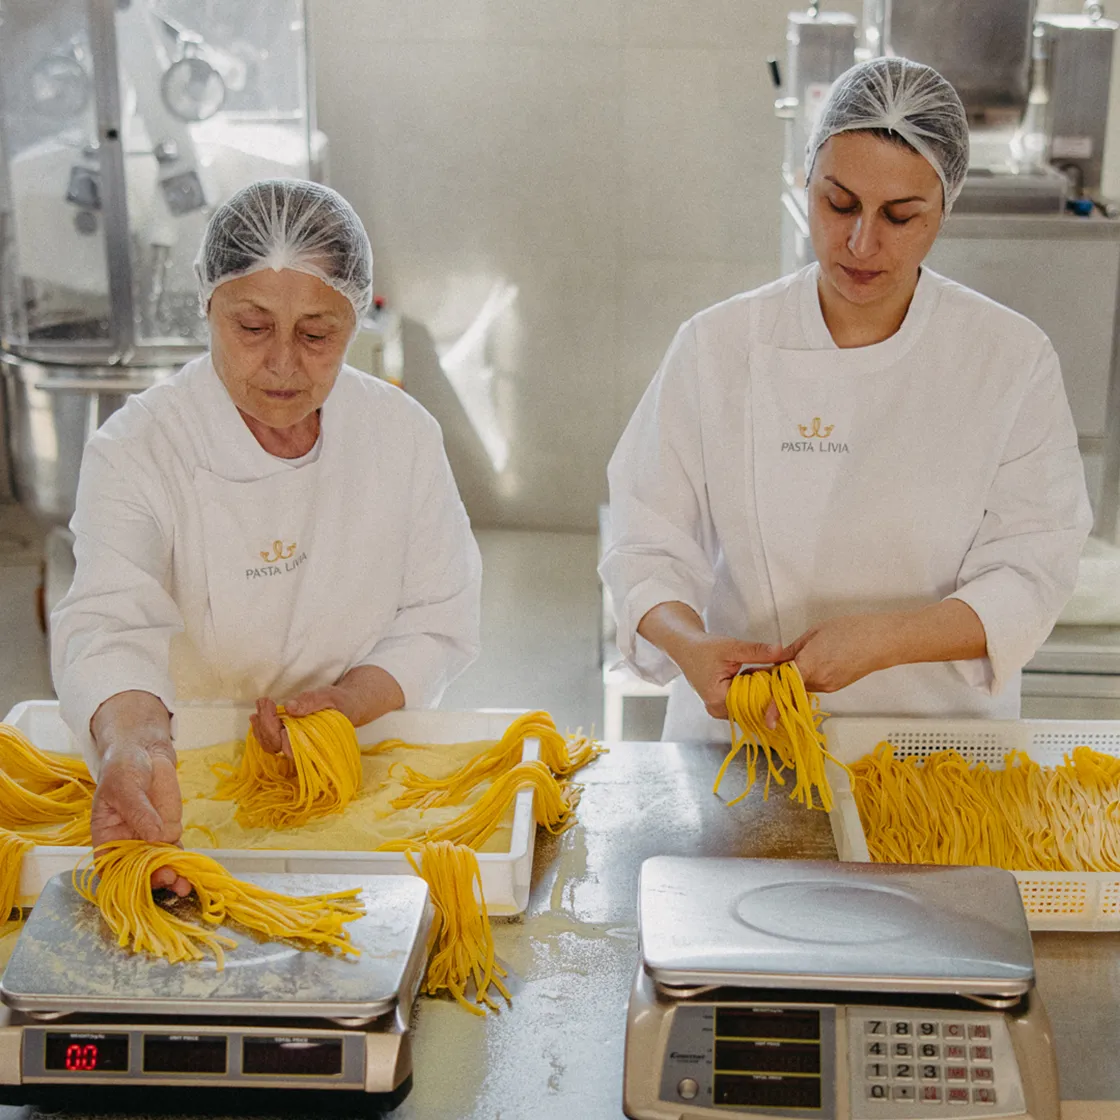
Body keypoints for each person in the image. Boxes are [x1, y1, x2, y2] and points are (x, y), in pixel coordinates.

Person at [599, 57, 1093, 742]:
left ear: (945, 207)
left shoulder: (1008, 359)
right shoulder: (719, 346)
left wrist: (885, 641)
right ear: (805, 182)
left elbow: (1033, 568)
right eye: (838, 203)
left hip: (939, 748)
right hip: (749, 740)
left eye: (900, 215)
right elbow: (643, 543)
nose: (862, 242)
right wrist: (689, 644)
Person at [52, 179, 482, 892]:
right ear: (207, 302)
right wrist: (137, 747)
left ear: (355, 318)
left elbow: (438, 616)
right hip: (185, 781)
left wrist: (347, 708)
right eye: (252, 328)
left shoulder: (399, 435)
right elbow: (108, 627)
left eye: (318, 334)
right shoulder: (139, 448)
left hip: (362, 773)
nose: (284, 364)